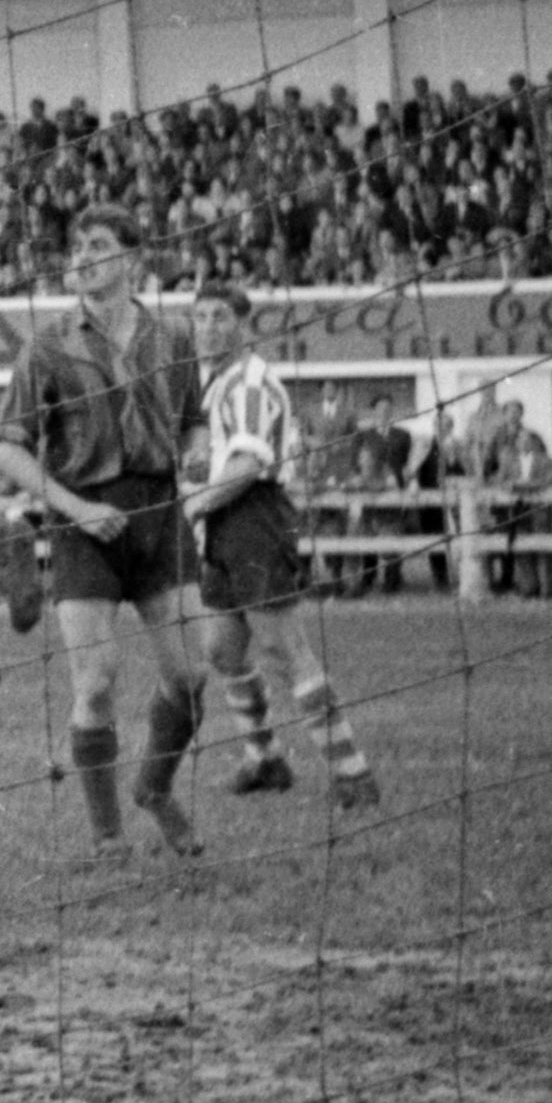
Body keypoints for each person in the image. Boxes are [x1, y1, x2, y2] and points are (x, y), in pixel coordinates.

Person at [0, 205, 214, 857]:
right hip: (82, 523)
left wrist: (197, 451)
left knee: (191, 675)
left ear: (132, 257)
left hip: (158, 514)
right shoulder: (47, 345)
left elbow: (194, 419)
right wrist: (76, 510)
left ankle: (154, 788)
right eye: (76, 245)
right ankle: (107, 835)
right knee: (96, 678)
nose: (81, 256)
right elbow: (5, 448)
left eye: (97, 244)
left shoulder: (174, 335)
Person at [188, 285, 382, 812]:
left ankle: (354, 776)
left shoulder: (251, 382)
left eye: (220, 317)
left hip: (255, 516)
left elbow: (248, 466)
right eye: (200, 317)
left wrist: (192, 506)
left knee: (283, 649)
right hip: (223, 522)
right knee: (222, 649)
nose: (208, 327)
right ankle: (266, 760)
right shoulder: (216, 383)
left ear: (244, 325)